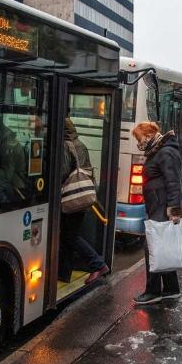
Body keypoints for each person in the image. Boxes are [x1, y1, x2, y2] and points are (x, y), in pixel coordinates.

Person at [131, 121, 182, 305]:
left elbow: (173, 184)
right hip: (158, 206)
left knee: (152, 248)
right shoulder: (157, 150)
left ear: (148, 135)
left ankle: (153, 291)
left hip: (162, 208)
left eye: (139, 139)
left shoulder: (166, 152)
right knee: (163, 248)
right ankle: (171, 288)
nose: (138, 143)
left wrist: (174, 211)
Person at [59, 118, 109, 284]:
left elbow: (63, 173)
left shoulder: (65, 146)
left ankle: (97, 264)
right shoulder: (80, 143)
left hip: (70, 198)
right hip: (82, 197)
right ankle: (63, 274)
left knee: (70, 236)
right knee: (68, 236)